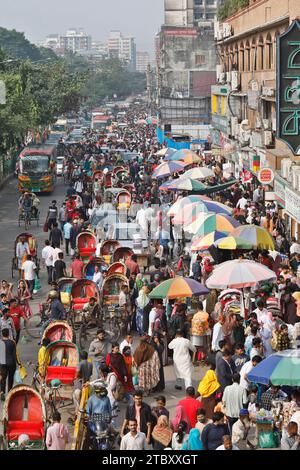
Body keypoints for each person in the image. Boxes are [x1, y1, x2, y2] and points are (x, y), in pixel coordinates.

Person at [73, 351, 93, 416]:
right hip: (87, 384)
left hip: (80, 385)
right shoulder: (91, 364)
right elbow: (90, 374)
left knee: (76, 399)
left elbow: (77, 372)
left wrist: (76, 377)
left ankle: (77, 414)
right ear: (87, 356)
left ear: (80, 357)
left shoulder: (80, 364)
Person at [0, 328, 18, 400]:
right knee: (10, 378)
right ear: (8, 334)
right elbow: (15, 354)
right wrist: (18, 364)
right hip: (11, 363)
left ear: (2, 334)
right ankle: (9, 393)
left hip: (2, 363)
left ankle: (2, 392)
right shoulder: (12, 342)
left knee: (3, 378)